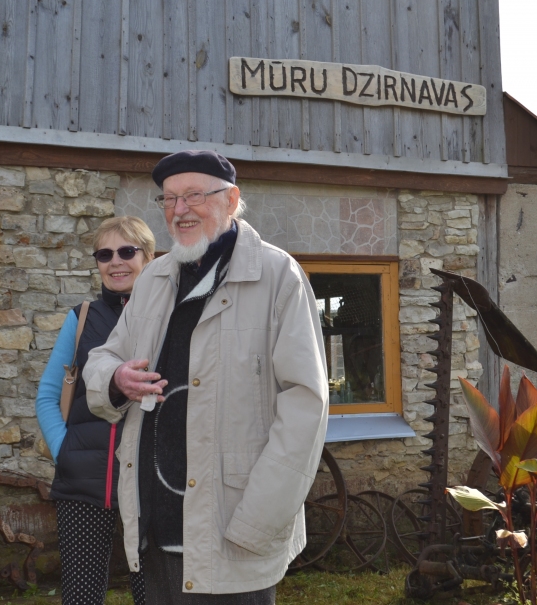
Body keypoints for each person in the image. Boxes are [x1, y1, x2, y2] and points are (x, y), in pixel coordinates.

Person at [84, 150, 329, 603]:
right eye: (169, 199)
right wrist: (117, 377)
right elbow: (103, 357)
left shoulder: (278, 276)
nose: (180, 210)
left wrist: (257, 524)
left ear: (232, 199)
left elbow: (306, 409)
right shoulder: (155, 277)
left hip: (230, 532)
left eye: (194, 195)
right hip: (155, 529)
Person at [36, 216, 155, 605]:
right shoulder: (82, 316)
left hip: (150, 483)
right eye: (105, 254)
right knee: (82, 596)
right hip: (85, 484)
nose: (115, 261)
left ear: (148, 257)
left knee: (155, 592)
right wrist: (64, 451)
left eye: (127, 251)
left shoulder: (167, 317)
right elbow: (48, 396)